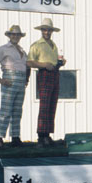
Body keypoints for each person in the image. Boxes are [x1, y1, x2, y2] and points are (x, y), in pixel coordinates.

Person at [0, 25, 30, 147]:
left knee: (17, 111)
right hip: (9, 80)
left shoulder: (22, 51)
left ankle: (15, 137)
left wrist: (26, 79)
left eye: (17, 34)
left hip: (21, 82)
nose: (15, 36)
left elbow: (27, 66)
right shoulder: (3, 49)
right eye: (13, 34)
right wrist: (0, 80)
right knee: (5, 110)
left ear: (20, 36)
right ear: (9, 36)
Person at [27, 18, 66, 146]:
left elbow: (53, 63)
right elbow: (29, 62)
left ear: (51, 31)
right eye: (44, 29)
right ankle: (41, 136)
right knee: (44, 105)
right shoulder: (37, 45)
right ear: (41, 30)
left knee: (52, 105)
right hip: (44, 75)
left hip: (55, 74)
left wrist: (60, 63)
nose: (47, 32)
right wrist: (44, 65)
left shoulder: (53, 45)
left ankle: (47, 135)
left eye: (49, 30)